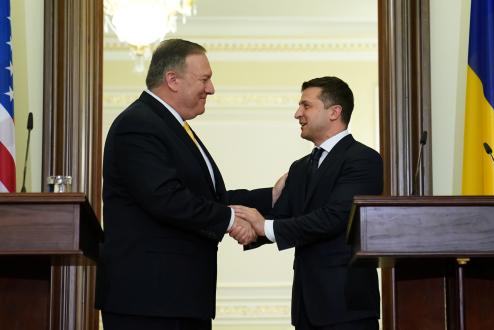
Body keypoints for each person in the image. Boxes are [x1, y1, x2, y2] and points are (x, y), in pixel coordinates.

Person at [95, 39, 277, 330]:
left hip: (177, 299)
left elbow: (204, 197)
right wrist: (231, 221)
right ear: (172, 80)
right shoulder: (138, 124)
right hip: (148, 302)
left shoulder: (169, 124)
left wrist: (271, 197)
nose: (211, 88)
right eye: (204, 79)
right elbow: (167, 198)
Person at [232, 76, 383, 330]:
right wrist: (221, 207)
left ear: (334, 112)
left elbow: (335, 218)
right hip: (306, 307)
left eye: (306, 106)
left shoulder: (363, 159)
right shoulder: (301, 167)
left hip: (346, 306)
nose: (297, 113)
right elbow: (281, 211)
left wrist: (264, 227)